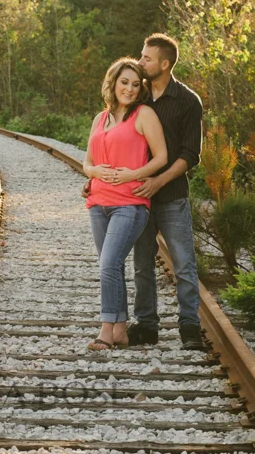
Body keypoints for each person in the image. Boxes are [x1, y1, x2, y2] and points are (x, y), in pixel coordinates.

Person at [83, 58, 167, 351]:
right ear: (113, 82)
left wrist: (134, 174)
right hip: (98, 203)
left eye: (135, 84)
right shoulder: (100, 118)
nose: (129, 89)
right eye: (124, 82)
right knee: (112, 267)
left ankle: (105, 331)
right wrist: (93, 173)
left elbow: (161, 158)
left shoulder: (143, 115)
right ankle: (120, 330)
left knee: (108, 264)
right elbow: (88, 162)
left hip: (129, 204)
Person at [127, 33, 205, 350]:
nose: (140, 61)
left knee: (184, 263)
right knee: (142, 263)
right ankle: (147, 326)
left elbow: (190, 154)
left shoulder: (188, 101)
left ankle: (189, 327)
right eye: (141, 55)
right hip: (138, 198)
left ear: (164, 63)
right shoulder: (136, 97)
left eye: (146, 58)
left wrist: (159, 181)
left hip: (172, 196)